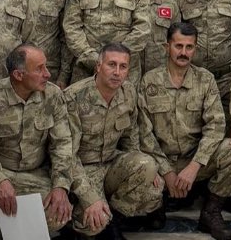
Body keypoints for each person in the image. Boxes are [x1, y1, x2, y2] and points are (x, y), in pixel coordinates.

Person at [139, 23, 231, 240]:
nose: (183, 52)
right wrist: (167, 172)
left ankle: (211, 212)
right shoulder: (149, 81)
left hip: (194, 160)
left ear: (195, 49)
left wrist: (194, 167)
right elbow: (143, 133)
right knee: (138, 163)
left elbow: (216, 126)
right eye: (178, 46)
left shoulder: (205, 79)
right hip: (160, 163)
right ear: (166, 47)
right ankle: (155, 204)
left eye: (189, 47)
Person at [0, 44, 73, 240]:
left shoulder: (53, 96)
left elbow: (62, 145)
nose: (47, 74)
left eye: (46, 66)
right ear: (18, 75)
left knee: (58, 213)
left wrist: (61, 186)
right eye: (39, 69)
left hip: (34, 173)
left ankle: (3, 228)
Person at [64, 43, 164, 237]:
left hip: (110, 163)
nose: (117, 72)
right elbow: (67, 157)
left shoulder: (128, 93)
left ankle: (114, 218)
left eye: (123, 66)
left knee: (153, 189)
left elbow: (131, 138)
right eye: (112, 64)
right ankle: (76, 221)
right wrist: (89, 197)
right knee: (93, 223)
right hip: (83, 169)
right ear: (98, 66)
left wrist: (146, 171)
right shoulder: (73, 98)